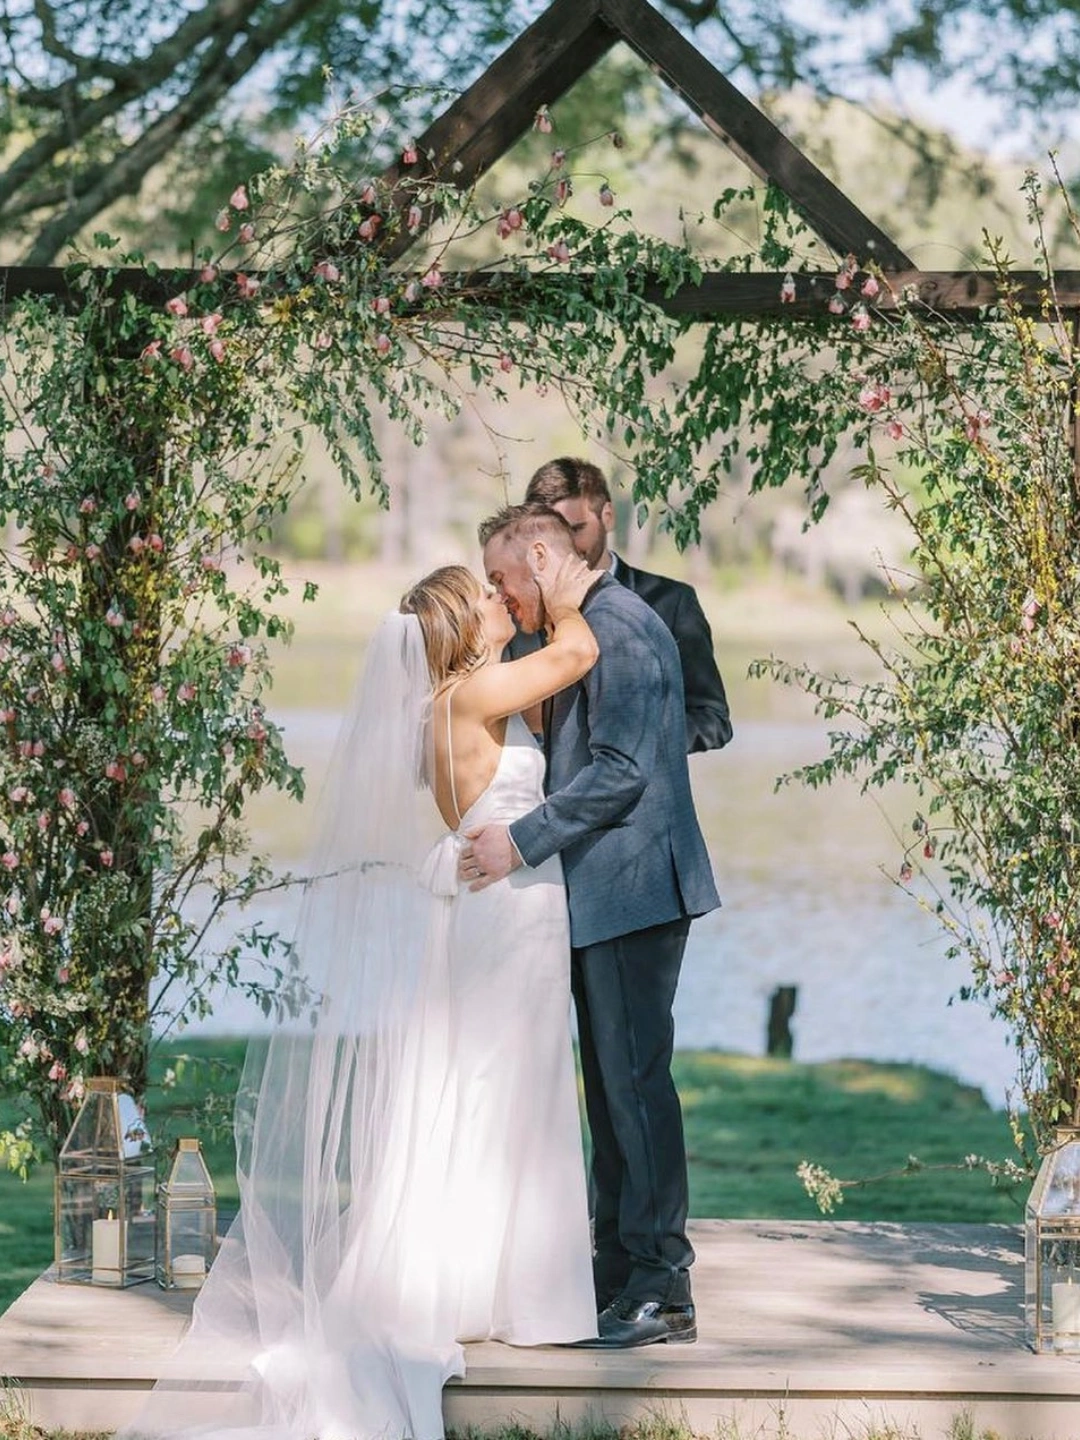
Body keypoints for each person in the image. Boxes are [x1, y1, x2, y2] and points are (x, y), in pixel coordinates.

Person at [129, 558, 600, 1440]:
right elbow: (575, 655)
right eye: (486, 596)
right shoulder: (472, 694)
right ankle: (512, 1293)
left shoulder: (444, 706)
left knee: (485, 1087)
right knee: (507, 1088)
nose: (501, 598)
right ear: (462, 629)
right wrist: (570, 599)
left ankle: (484, 1281)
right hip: (507, 914)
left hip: (490, 910)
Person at [462, 503, 721, 1350]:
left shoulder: (623, 626)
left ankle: (663, 1287)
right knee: (612, 1094)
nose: (504, 594)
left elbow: (621, 773)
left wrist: (519, 842)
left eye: (503, 578)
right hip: (605, 893)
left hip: (634, 891)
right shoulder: (585, 625)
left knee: (637, 1090)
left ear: (541, 555)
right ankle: (615, 1273)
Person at [524, 456, 732, 753]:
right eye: (549, 535)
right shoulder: (518, 612)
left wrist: (632, 747)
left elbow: (712, 720)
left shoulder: (671, 602)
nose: (565, 546)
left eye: (576, 529)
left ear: (607, 516)